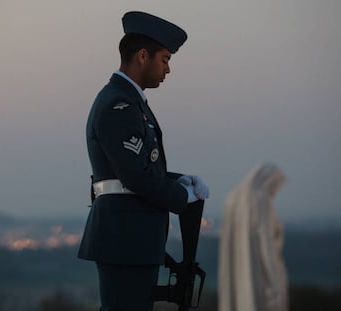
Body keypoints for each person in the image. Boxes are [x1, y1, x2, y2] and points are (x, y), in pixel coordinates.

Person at [78, 11, 209, 311]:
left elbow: (138, 167)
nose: (168, 69)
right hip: (124, 241)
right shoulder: (118, 104)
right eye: (164, 59)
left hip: (132, 240)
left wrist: (179, 180)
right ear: (142, 56)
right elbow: (136, 175)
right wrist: (180, 195)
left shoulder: (130, 103)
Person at [218, 163, 288, 311]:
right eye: (274, 187)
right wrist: (272, 277)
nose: (273, 194)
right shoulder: (259, 198)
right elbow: (265, 240)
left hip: (236, 265)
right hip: (255, 266)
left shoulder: (233, 196)